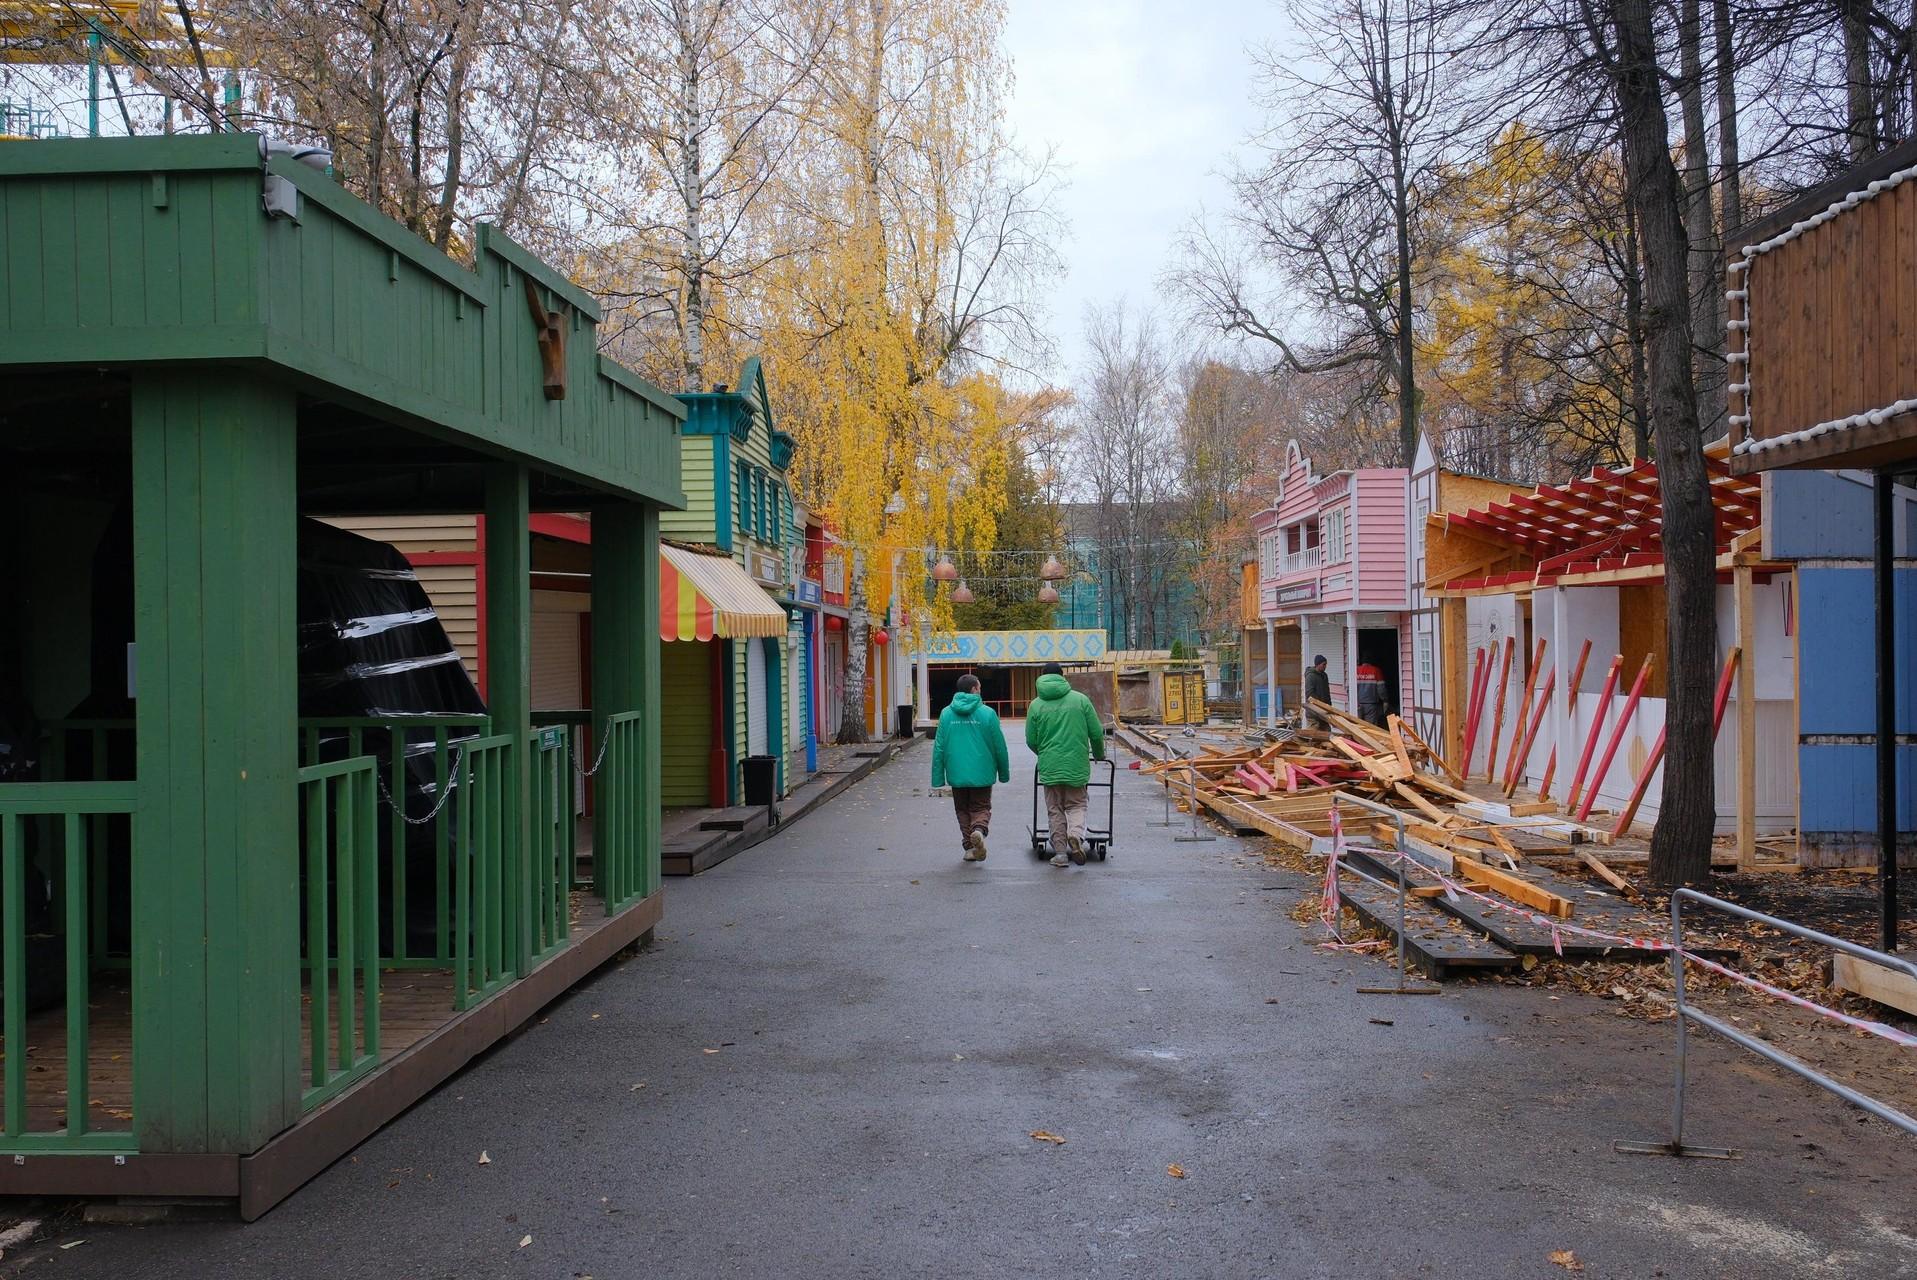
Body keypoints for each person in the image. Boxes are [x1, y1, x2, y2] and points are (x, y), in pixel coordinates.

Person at [1025, 661, 1105, 867]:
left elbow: (1031, 740)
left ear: (1042, 677)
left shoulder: (1036, 705)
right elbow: (1096, 733)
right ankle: (1076, 835)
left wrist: (1044, 754)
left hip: (1050, 766)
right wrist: (1098, 754)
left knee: (1055, 809)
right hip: (1076, 765)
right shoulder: (1081, 700)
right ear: (1062, 676)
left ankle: (1060, 853)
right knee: (1077, 804)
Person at [930, 673, 1011, 862]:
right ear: (974, 689)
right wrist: (1003, 773)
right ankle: (978, 830)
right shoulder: (988, 713)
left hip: (956, 772)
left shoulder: (946, 713)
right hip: (982, 771)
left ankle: (969, 847)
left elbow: (939, 746)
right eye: (979, 687)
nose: (980, 690)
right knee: (981, 806)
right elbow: (999, 746)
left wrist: (938, 777)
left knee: (962, 809)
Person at [1355, 659, 1389, 727]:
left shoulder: (1355, 670)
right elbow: (1381, 689)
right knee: (1370, 728)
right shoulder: (1376, 670)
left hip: (1357, 704)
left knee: (1357, 727)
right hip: (1371, 705)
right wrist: (1385, 700)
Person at [1303, 655, 1332, 730]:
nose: (1325, 666)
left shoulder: (1324, 676)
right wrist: (1318, 705)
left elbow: (1327, 692)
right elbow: (1310, 694)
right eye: (1323, 664)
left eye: (1326, 664)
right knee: (1313, 732)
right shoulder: (1310, 676)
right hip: (1313, 713)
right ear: (1317, 664)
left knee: (1327, 732)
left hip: (1323, 711)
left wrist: (1329, 706)